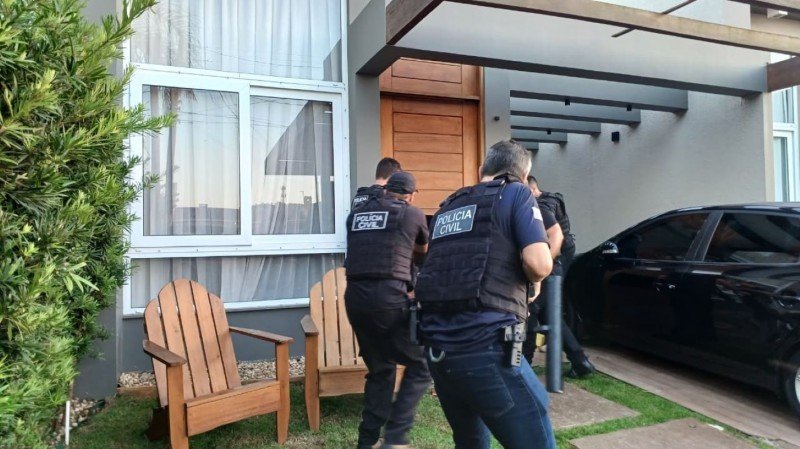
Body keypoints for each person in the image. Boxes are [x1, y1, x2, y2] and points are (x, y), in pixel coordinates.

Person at [416, 140, 556, 449]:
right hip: (488, 347)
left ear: (482, 170)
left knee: (471, 442)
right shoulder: (517, 193)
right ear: (524, 175)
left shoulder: (448, 206)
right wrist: (533, 280)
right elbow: (540, 263)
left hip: (439, 354)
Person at [344, 171, 431, 449]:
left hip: (355, 299)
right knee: (422, 363)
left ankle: (367, 441)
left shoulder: (356, 215)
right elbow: (423, 252)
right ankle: (396, 435)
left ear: (386, 189)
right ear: (411, 195)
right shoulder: (412, 214)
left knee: (381, 369)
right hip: (388, 298)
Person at [526, 176, 595, 378]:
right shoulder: (552, 199)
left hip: (551, 267)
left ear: (532, 189)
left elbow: (556, 236)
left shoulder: (541, 207)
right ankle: (580, 362)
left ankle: (524, 366)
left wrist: (543, 266)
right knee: (549, 315)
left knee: (531, 309)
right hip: (557, 264)